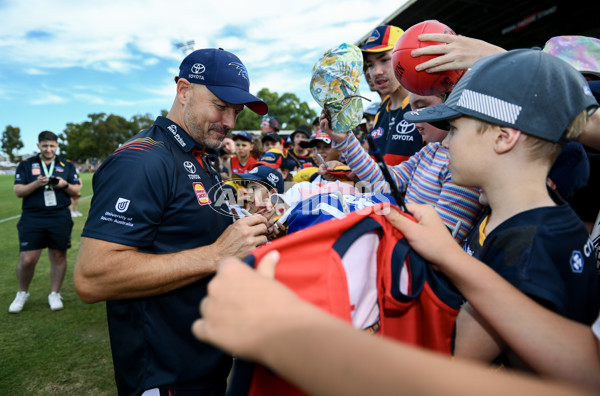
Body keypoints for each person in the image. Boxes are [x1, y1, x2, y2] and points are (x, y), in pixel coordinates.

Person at [190, 222, 598, 396]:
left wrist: (282, 333)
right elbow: (585, 362)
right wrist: (453, 258)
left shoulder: (533, 236)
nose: (443, 138)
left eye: (457, 127)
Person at [73, 48, 271, 396]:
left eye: (236, 112)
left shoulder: (198, 154)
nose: (229, 122)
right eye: (220, 105)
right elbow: (92, 278)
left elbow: (189, 231)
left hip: (203, 363)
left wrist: (248, 224)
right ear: (183, 91)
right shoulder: (144, 160)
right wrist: (216, 254)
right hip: (165, 378)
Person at [403, 49, 599, 367]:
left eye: (454, 129)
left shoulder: (524, 249)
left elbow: (454, 358)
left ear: (503, 137)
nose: (446, 142)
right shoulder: (540, 217)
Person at [319, 91, 483, 242]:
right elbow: (384, 181)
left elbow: (441, 241)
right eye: (411, 108)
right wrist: (345, 140)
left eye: (422, 107)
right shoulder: (429, 150)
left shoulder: (463, 163)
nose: (412, 117)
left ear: (451, 102)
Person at [9, 130, 82, 313]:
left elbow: (76, 190)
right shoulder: (26, 165)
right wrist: (37, 183)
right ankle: (22, 292)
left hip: (59, 216)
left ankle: (54, 293)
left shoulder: (66, 164)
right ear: (38, 146)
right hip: (33, 216)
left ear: (57, 146)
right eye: (45, 146)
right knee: (27, 259)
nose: (48, 149)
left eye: (51, 145)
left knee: (58, 255)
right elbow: (18, 191)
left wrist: (62, 184)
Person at [360, 25, 423, 165]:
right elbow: (370, 168)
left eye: (384, 60)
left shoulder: (425, 107)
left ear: (405, 56)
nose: (376, 72)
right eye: (370, 65)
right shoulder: (380, 112)